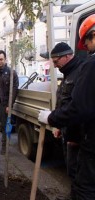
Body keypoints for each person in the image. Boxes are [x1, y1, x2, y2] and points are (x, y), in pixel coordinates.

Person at [38, 14, 95, 200]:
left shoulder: (87, 67)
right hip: (78, 134)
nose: (85, 47)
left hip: (85, 138)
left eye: (86, 41)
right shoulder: (75, 71)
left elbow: (79, 107)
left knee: (83, 187)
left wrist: (52, 118)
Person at [49, 42, 82, 199]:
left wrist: (75, 136)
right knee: (71, 171)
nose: (55, 66)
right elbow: (62, 100)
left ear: (67, 56)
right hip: (66, 132)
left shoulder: (81, 72)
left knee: (79, 176)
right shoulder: (68, 73)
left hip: (76, 138)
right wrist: (57, 125)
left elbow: (79, 108)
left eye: (56, 61)